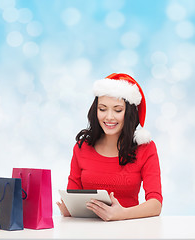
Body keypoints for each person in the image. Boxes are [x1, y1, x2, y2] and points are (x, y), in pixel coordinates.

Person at [57, 73, 162, 221]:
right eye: (103, 109)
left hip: (129, 230)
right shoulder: (82, 148)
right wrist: (69, 210)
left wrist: (121, 215)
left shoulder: (145, 148)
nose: (109, 117)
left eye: (118, 110)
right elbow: (73, 195)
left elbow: (155, 204)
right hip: (87, 231)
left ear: (129, 113)